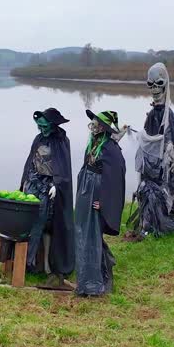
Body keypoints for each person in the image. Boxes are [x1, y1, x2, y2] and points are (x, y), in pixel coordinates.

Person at [127, 62, 174, 239]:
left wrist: (168, 151)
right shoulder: (153, 114)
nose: (154, 89)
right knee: (149, 188)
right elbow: (149, 139)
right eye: (151, 85)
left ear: (165, 85)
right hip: (151, 167)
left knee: (167, 188)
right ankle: (150, 222)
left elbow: (172, 143)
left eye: (158, 84)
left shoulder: (168, 116)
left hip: (164, 167)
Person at [17, 107, 74, 289]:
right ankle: (27, 261)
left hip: (48, 189)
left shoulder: (61, 141)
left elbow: (63, 167)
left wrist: (57, 184)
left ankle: (34, 263)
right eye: (39, 126)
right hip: (33, 185)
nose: (41, 129)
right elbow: (31, 162)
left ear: (53, 125)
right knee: (26, 222)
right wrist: (25, 182)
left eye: (44, 126)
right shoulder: (38, 139)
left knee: (41, 223)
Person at [73, 110, 127, 297]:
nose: (93, 128)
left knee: (92, 237)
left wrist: (103, 202)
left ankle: (94, 284)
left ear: (103, 128)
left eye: (96, 125)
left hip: (96, 195)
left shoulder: (111, 149)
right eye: (92, 124)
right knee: (81, 234)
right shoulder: (93, 143)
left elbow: (115, 180)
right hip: (85, 193)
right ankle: (84, 281)